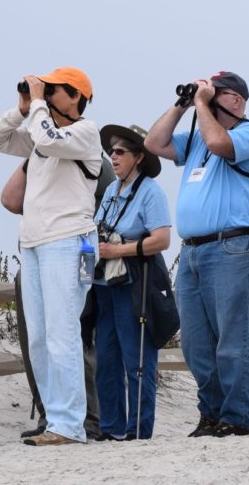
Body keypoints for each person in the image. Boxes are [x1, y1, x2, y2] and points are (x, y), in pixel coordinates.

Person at [144, 71, 249, 437]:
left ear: (236, 100)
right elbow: (154, 143)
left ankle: (235, 416)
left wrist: (202, 103)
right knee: (197, 343)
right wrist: (182, 104)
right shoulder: (198, 136)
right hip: (195, 251)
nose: (209, 96)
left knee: (232, 339)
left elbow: (219, 143)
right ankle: (211, 413)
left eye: (218, 92)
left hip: (236, 246)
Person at [0, 67, 102, 446]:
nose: (48, 95)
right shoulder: (39, 131)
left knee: (62, 333)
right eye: (45, 89)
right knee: (39, 338)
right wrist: (22, 108)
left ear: (77, 97)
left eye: (55, 90)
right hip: (34, 243)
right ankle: (55, 420)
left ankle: (69, 425)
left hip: (68, 240)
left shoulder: (86, 132)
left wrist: (36, 104)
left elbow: (50, 141)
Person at [92, 124, 172, 441]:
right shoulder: (111, 191)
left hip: (135, 283)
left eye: (119, 151)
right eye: (110, 151)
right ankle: (111, 428)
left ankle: (138, 430)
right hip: (104, 283)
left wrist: (118, 249)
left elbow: (162, 240)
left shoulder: (151, 191)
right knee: (106, 356)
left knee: (136, 358)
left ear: (138, 157)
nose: (112, 156)